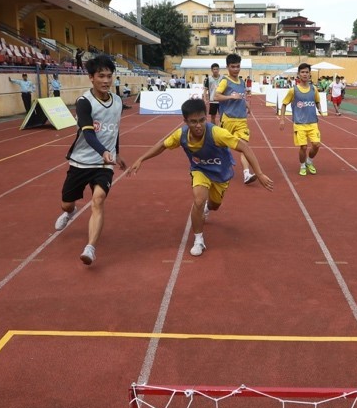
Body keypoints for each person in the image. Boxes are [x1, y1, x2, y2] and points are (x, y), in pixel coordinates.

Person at [130, 97, 273, 257]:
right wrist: (141, 159)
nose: (198, 125)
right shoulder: (181, 135)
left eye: (201, 120)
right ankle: (198, 239)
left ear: (206, 118)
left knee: (214, 205)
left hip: (221, 173)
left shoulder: (217, 133)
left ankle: (208, 208)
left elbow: (244, 147)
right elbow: (163, 145)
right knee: (198, 200)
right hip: (200, 170)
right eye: (193, 122)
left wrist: (259, 173)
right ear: (185, 121)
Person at [53, 55, 127, 266]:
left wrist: (116, 153)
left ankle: (90, 248)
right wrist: (104, 151)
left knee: (99, 199)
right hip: (81, 161)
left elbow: (114, 130)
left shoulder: (118, 101)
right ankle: (71, 212)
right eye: (101, 76)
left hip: (103, 165)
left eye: (109, 76)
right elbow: (88, 134)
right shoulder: (84, 102)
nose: (106, 80)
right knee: (66, 204)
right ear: (91, 78)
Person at [214, 52, 258, 184]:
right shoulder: (224, 81)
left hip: (241, 120)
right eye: (233, 67)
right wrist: (230, 97)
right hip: (228, 119)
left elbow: (242, 96)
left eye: (238, 66)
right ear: (228, 67)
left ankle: (246, 174)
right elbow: (216, 97)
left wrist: (247, 104)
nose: (236, 69)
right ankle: (217, 168)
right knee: (223, 147)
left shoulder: (242, 82)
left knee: (244, 146)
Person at [279, 62, 322, 175]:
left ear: (309, 74)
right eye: (302, 72)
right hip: (299, 124)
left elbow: (317, 101)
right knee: (303, 147)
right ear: (298, 74)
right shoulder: (293, 90)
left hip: (313, 123)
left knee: (316, 145)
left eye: (307, 72)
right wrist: (282, 119)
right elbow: (284, 104)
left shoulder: (314, 89)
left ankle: (309, 161)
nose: (304, 74)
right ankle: (302, 165)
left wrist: (320, 109)